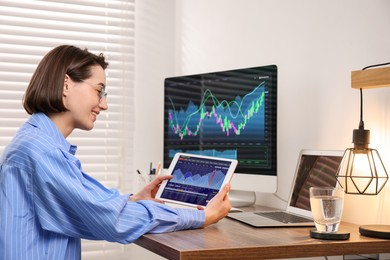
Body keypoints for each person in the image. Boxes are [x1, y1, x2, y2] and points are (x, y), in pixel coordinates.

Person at [0, 45, 232, 260]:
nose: (104, 104)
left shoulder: (37, 143)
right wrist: (201, 217)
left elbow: (86, 201)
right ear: (66, 84)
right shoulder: (41, 152)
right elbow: (112, 220)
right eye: (99, 91)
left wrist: (133, 200)